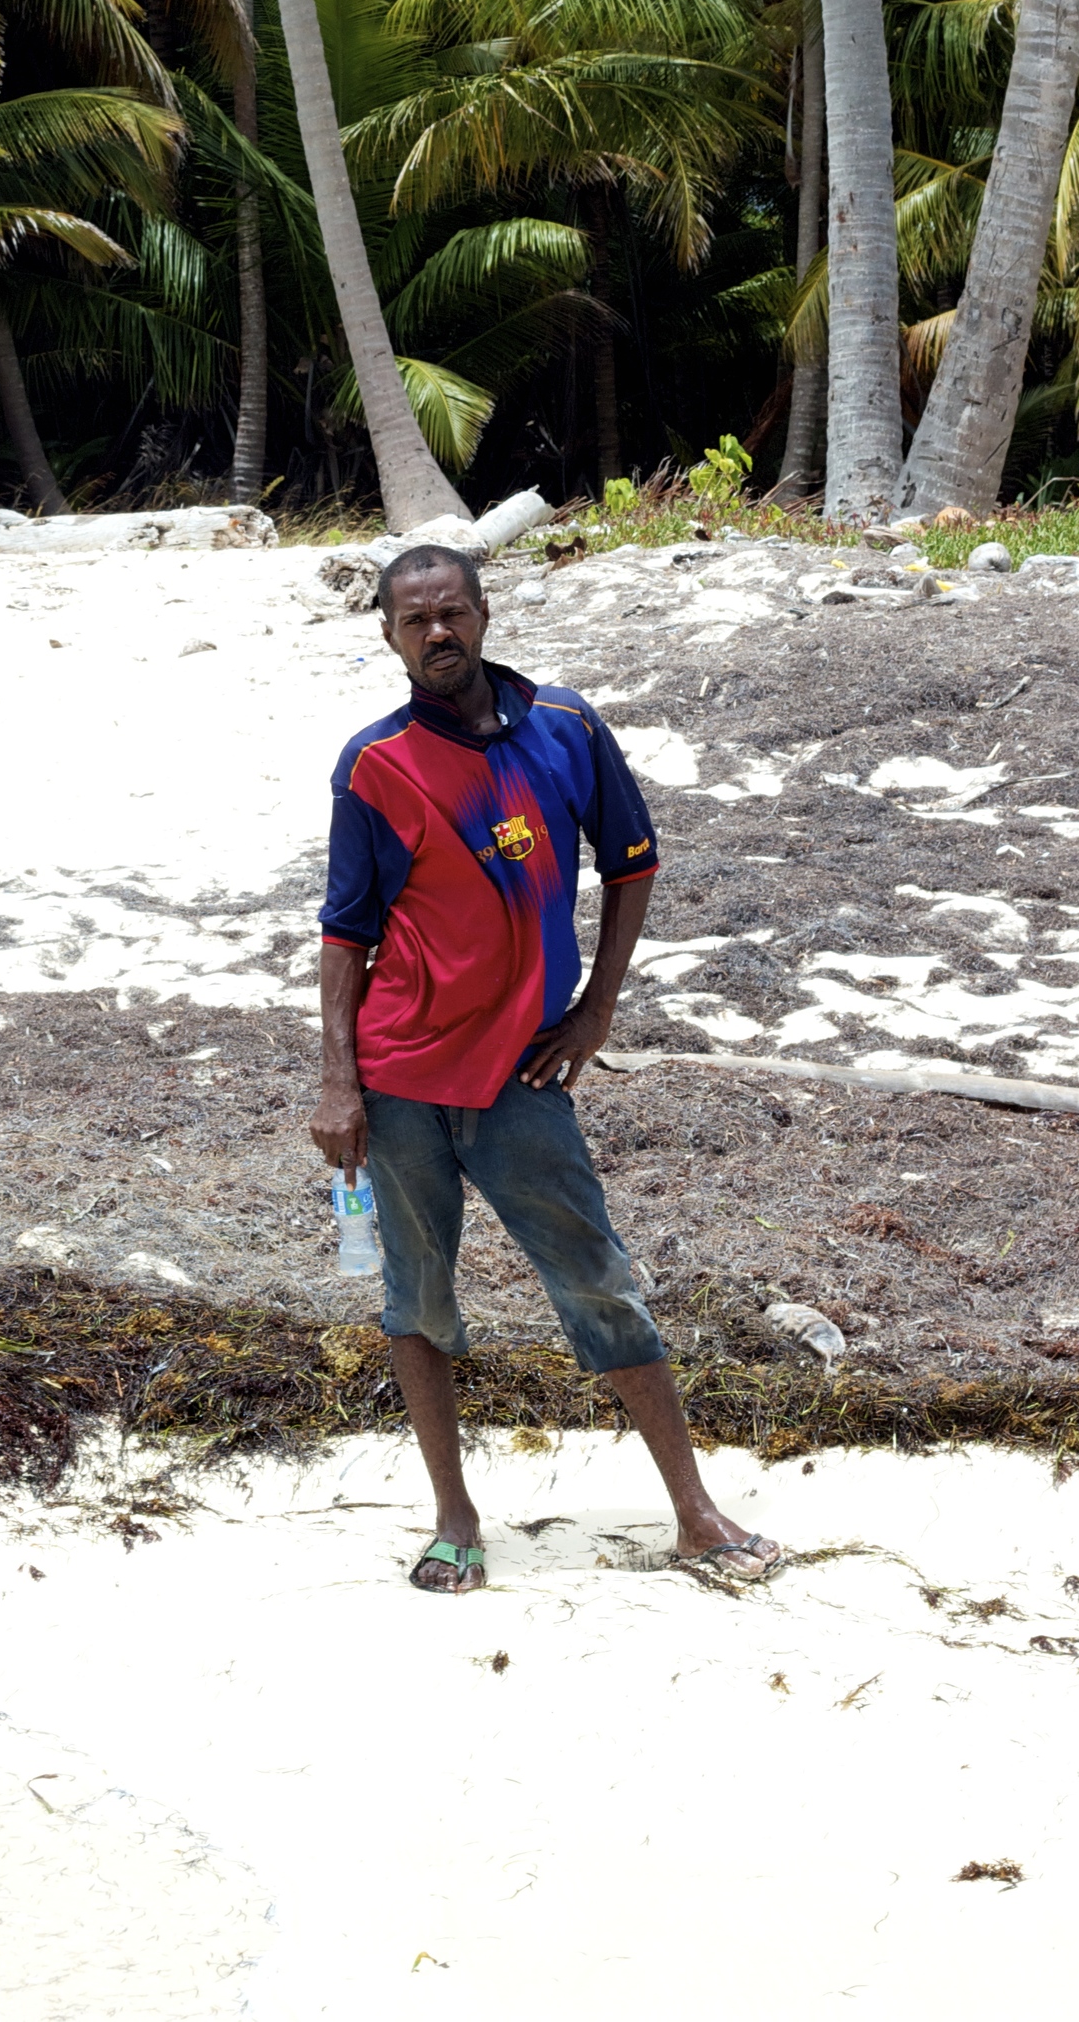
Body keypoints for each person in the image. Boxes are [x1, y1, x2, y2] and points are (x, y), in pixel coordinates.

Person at [311, 541, 782, 1594]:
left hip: (522, 1077)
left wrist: (597, 1009)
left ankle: (696, 1514)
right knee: (415, 1297)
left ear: (483, 615)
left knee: (597, 1279)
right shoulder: (374, 764)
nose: (436, 635)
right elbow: (344, 933)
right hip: (400, 1080)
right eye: (412, 622)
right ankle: (454, 1519)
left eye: (451, 614)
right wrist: (337, 1082)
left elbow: (632, 861)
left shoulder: (563, 729)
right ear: (387, 638)